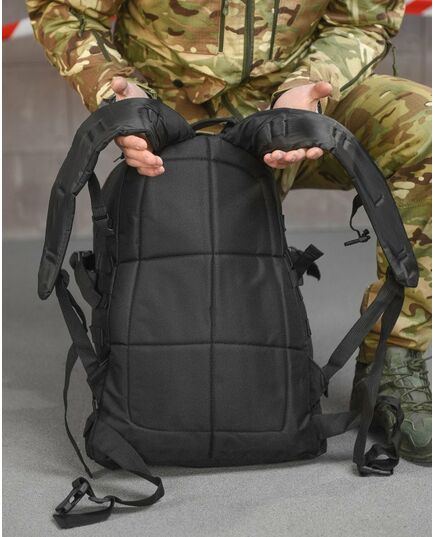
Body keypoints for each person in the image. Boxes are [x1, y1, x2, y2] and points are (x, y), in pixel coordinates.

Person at [27, 0, 431, 463]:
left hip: (294, 98)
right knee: (186, 331)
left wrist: (308, 84)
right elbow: (65, 9)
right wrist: (118, 91)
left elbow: (364, 19)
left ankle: (395, 356)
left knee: (425, 128)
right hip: (167, 112)